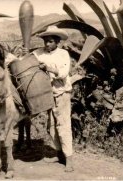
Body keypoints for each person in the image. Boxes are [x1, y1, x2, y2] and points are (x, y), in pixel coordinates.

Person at [24, 25, 74, 172]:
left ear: (57, 41)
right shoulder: (39, 53)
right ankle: (59, 155)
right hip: (47, 94)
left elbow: (64, 73)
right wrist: (24, 54)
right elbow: (27, 59)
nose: (47, 44)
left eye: (50, 41)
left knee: (63, 125)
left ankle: (69, 159)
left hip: (62, 93)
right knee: (51, 126)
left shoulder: (63, 54)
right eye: (45, 41)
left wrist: (48, 68)